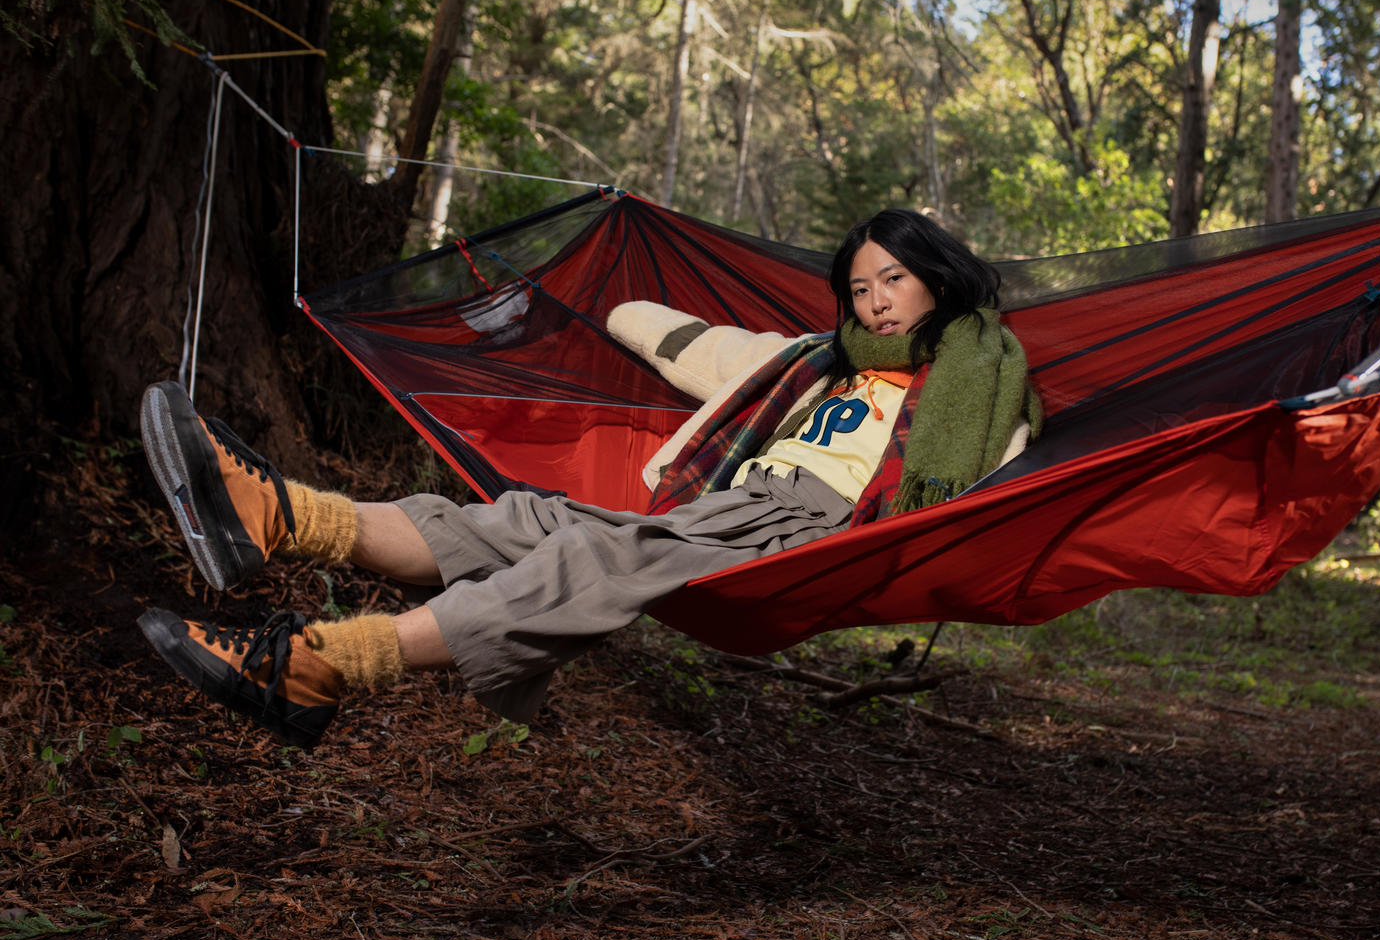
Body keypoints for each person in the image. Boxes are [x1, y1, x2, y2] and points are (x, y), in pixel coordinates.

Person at [137, 209, 1041, 748]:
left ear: (936, 275)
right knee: (523, 517)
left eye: (895, 277)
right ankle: (281, 515)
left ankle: (319, 665)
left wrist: (927, 541)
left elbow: (1004, 476)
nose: (877, 299)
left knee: (591, 557)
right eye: (859, 287)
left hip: (814, 531)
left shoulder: (982, 371)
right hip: (728, 505)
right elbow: (714, 353)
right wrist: (622, 311)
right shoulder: (818, 361)